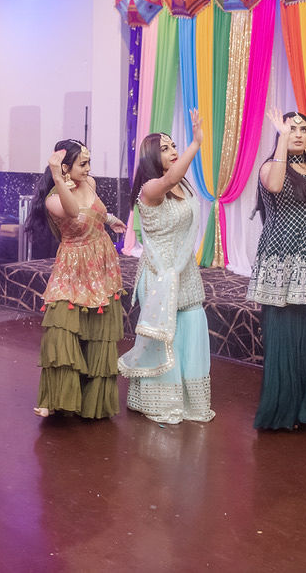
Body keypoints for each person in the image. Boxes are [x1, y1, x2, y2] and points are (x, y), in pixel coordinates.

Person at [247, 109, 306, 430]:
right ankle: (285, 409)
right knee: (287, 335)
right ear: (281, 135)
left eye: (303, 129)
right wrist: (282, 142)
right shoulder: (270, 167)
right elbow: (275, 187)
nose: (299, 134)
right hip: (284, 262)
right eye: (292, 130)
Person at [118, 111, 215, 424]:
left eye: (175, 146)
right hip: (160, 276)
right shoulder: (150, 189)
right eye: (167, 148)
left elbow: (177, 180)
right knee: (165, 340)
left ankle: (191, 402)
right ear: (151, 157)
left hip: (185, 274)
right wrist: (196, 142)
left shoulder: (183, 188)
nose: (174, 151)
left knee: (193, 329)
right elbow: (170, 177)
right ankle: (161, 401)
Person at [25, 140, 126, 419]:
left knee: (97, 327)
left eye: (89, 162)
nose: (89, 168)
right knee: (62, 326)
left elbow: (96, 210)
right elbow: (72, 212)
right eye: (83, 163)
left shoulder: (89, 183)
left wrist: (111, 219)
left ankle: (90, 397)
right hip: (72, 265)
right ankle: (55, 397)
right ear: (66, 167)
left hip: (100, 262)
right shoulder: (54, 199)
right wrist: (57, 176)